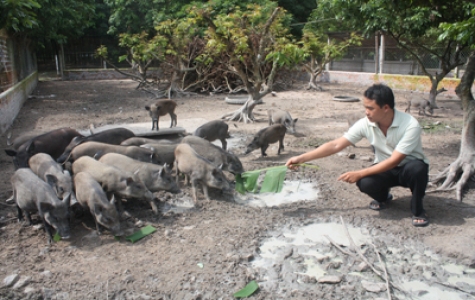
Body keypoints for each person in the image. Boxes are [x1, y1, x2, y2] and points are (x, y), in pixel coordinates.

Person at [285, 84, 430, 227]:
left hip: (408, 168)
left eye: (371, 108)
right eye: (365, 107)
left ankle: (418, 210)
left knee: (417, 169)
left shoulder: (410, 124)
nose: (366, 112)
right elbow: (336, 145)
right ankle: (384, 197)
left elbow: (395, 160)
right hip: (384, 168)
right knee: (364, 182)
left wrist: (358, 173)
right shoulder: (366, 124)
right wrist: (300, 158)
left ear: (386, 108)